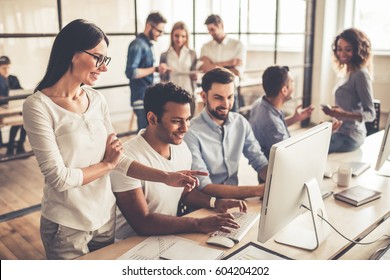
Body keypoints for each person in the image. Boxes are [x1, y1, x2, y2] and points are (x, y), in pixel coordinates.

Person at [22, 19, 203, 260]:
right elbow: (59, 178)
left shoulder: (96, 99)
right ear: (73, 53)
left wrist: (166, 177)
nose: (103, 68)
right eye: (98, 58)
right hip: (67, 225)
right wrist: (106, 165)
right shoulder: (38, 106)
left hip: (105, 220)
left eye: (105, 60)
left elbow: (120, 159)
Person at [111, 82, 245, 239]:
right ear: (152, 119)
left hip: (168, 236)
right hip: (130, 246)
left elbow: (182, 193)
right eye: (176, 121)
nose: (185, 128)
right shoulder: (126, 159)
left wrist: (215, 202)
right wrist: (198, 224)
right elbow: (143, 222)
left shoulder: (181, 148)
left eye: (187, 119)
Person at [184, 68, 268, 199]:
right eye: (218, 98)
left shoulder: (240, 122)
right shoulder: (191, 133)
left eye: (230, 97)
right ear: (204, 97)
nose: (226, 104)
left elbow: (259, 161)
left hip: (235, 201)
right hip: (206, 205)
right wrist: (258, 190)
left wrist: (276, 180)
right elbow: (204, 186)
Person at [323, 28, 376, 153]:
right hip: (340, 130)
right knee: (313, 142)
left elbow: (371, 114)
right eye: (339, 49)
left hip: (350, 136)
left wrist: (342, 114)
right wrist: (335, 112)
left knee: (314, 148)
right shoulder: (347, 71)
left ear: (358, 50)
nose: (342, 53)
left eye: (348, 49)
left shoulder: (360, 74)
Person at [249, 66, 315, 159]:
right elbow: (291, 154)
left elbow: (274, 127)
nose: (294, 85)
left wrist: (295, 118)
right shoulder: (272, 124)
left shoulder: (259, 103)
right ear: (284, 90)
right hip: (276, 170)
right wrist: (319, 135)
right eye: (292, 82)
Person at [125, 12, 169, 132]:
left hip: (146, 96)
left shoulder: (147, 45)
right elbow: (131, 72)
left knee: (150, 133)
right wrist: (155, 69)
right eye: (159, 31)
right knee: (145, 136)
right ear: (149, 26)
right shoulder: (138, 45)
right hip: (141, 97)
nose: (160, 35)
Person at [199, 15, 246, 112]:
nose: (211, 33)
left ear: (221, 26)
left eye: (213, 29)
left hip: (230, 93)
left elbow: (237, 71)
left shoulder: (237, 45)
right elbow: (204, 67)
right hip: (211, 93)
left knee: (231, 123)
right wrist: (229, 63)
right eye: (209, 30)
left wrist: (213, 65)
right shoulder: (206, 47)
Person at [159, 21, 198, 115]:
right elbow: (162, 78)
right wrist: (162, 71)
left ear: (187, 37)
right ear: (172, 36)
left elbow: (195, 75)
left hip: (189, 93)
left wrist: (195, 76)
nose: (179, 39)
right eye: (176, 36)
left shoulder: (192, 54)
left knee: (189, 123)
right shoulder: (164, 55)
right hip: (170, 95)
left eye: (183, 36)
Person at [0, 56, 27, 155]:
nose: (6, 70)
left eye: (8, 67)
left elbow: (20, 91)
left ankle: (20, 145)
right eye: (3, 68)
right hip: (2, 111)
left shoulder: (13, 78)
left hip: (13, 109)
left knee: (25, 120)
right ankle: (10, 147)